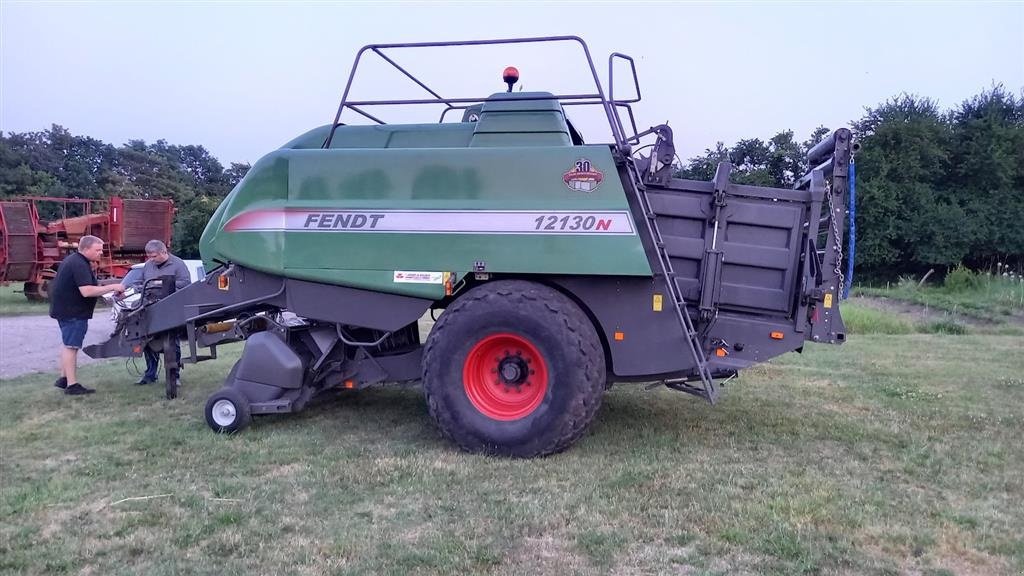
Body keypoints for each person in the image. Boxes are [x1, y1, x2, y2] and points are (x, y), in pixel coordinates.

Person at [50, 235, 125, 395]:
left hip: (65, 310)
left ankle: (64, 378)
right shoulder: (79, 264)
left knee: (68, 344)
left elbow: (89, 285)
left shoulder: (74, 260)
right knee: (71, 347)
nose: (101, 253)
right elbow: (87, 291)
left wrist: (107, 288)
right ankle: (72, 385)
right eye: (97, 250)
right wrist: (113, 287)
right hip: (73, 312)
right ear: (85, 249)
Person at [134, 240, 191, 386]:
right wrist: (138, 287)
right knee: (148, 341)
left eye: (153, 256)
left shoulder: (178, 264)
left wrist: (163, 284)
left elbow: (186, 284)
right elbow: (140, 282)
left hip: (171, 308)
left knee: (171, 342)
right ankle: (150, 374)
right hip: (150, 308)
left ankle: (174, 375)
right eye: (149, 256)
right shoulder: (148, 265)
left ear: (163, 252)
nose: (151, 259)